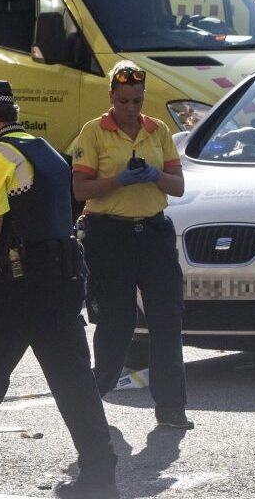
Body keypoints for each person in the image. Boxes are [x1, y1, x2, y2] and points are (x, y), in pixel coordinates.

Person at [0, 81, 120, 499]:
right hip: (64, 280)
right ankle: (100, 473)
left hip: (24, 283)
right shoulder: (47, 151)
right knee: (73, 380)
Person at [70, 61, 192, 431]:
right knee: (116, 321)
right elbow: (80, 191)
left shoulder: (158, 130)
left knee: (167, 320)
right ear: (111, 97)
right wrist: (119, 180)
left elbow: (179, 185)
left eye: (137, 101)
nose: (130, 109)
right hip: (111, 235)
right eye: (123, 101)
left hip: (154, 233)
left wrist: (156, 175)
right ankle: (94, 396)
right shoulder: (93, 133)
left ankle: (171, 408)